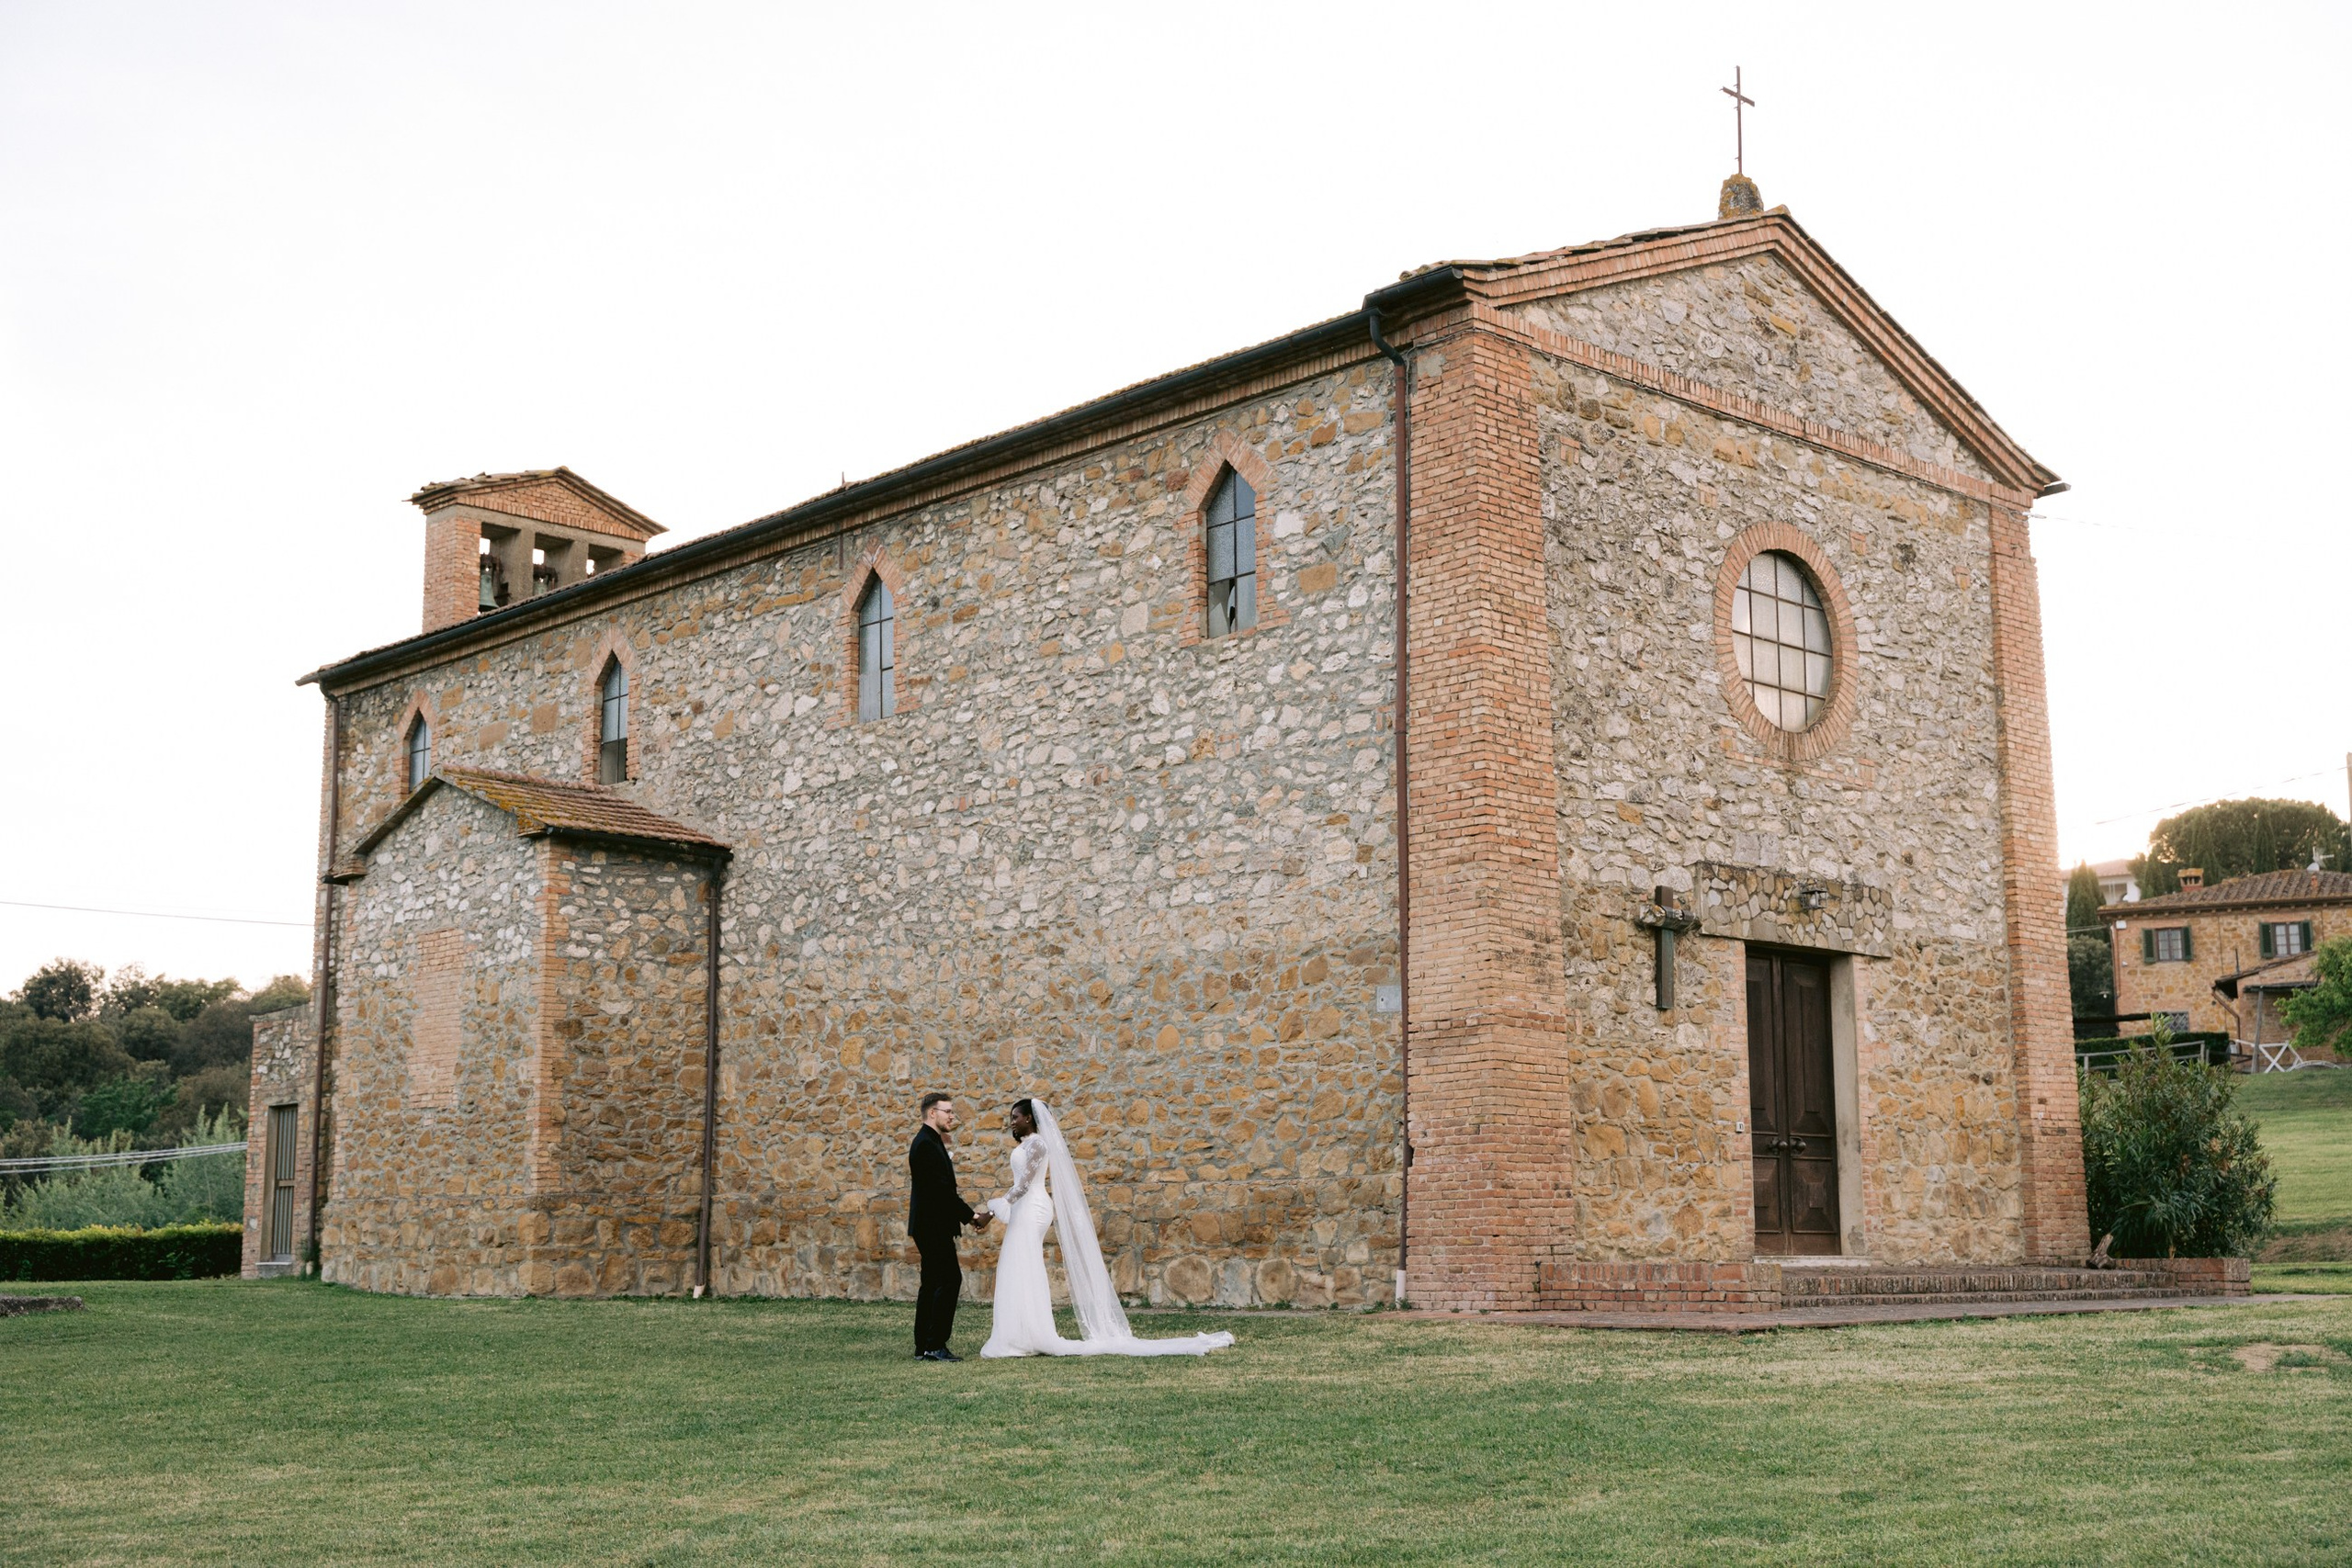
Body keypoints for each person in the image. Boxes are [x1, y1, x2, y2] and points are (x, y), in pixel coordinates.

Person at [978, 1097, 1236, 1359]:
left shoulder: (1038, 1145)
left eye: (1016, 1117)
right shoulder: (1027, 1144)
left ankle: (1030, 1334)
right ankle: (1021, 1333)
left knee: (1024, 1262)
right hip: (1024, 1209)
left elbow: (1023, 1184)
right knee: (1020, 1264)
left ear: (1029, 1118)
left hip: (1032, 1208)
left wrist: (990, 1212)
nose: (1012, 1122)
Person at [907, 1091, 989, 1361]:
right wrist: (971, 1217)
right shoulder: (926, 1145)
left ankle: (924, 1346)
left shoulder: (931, 1141)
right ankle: (934, 1344)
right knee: (949, 1279)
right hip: (932, 1225)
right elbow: (941, 1192)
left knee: (931, 1283)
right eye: (948, 1111)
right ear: (933, 1113)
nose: (953, 1116)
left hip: (930, 1224)